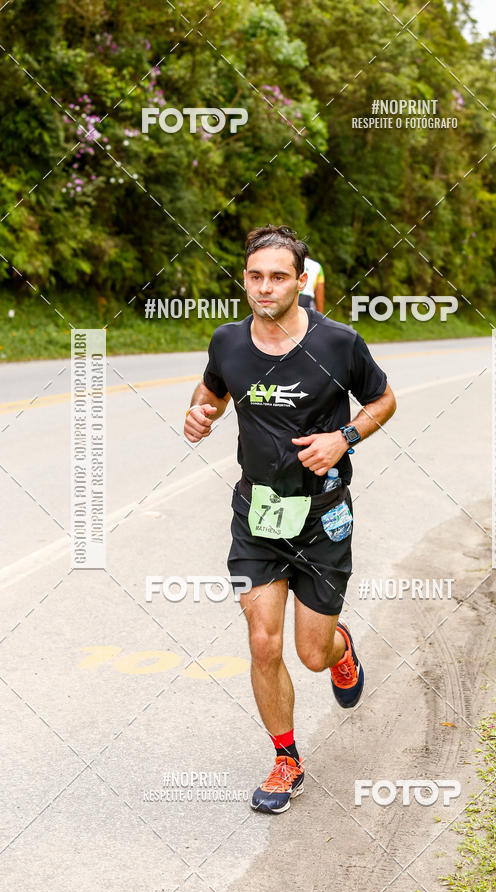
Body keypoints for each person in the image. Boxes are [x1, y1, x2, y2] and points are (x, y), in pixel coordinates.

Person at [183, 225, 396, 814]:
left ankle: (340, 647)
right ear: (244, 279)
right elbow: (210, 395)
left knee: (310, 652)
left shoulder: (337, 343)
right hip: (258, 513)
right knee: (261, 641)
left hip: (323, 515)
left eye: (279, 277)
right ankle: (286, 759)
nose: (265, 287)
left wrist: (344, 437)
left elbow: (384, 400)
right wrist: (198, 416)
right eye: (255, 276)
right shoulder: (227, 341)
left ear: (301, 282)